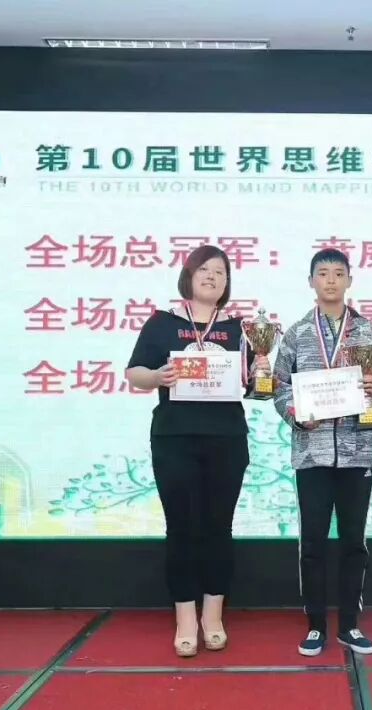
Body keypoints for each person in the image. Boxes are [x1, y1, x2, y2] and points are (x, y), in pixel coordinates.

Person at [125, 245, 268, 658]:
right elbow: (135, 373)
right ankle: (185, 618)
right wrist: (158, 376)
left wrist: (262, 374)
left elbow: (255, 386)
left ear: (227, 282)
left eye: (220, 271)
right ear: (188, 276)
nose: (211, 276)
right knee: (182, 528)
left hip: (226, 439)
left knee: (219, 528)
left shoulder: (242, 329)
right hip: (175, 439)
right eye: (203, 269)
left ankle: (213, 615)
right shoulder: (163, 323)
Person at [272, 248, 372, 657]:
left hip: (357, 453)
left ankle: (350, 624)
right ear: (311, 281)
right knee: (313, 542)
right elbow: (279, 385)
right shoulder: (296, 334)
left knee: (354, 541)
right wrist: (296, 415)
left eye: (338, 273)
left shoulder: (369, 333)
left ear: (349, 281)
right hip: (312, 454)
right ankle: (315, 625)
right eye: (322, 273)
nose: (330, 280)